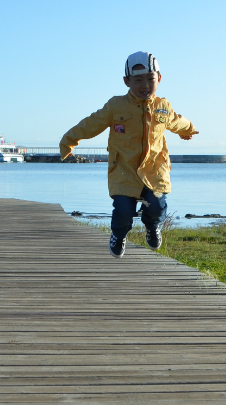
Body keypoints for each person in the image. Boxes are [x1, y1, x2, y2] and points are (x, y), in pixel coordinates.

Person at [60, 51, 198, 258]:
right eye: (138, 80)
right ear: (127, 81)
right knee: (123, 211)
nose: (144, 86)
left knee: (158, 205)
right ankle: (119, 234)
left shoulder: (163, 107)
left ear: (159, 79)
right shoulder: (116, 106)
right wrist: (69, 141)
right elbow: (91, 124)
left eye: (150, 79)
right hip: (124, 170)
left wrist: (188, 130)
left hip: (154, 170)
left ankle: (152, 227)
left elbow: (178, 121)